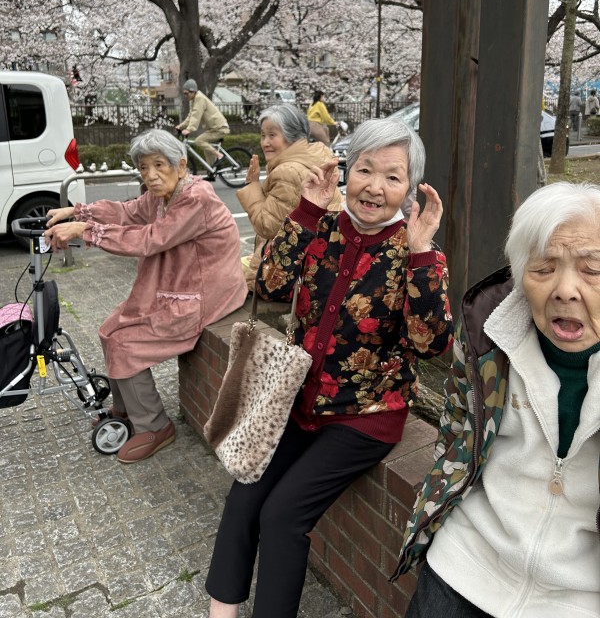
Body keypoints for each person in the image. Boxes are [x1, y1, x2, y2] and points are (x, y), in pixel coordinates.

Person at [205, 116, 454, 618]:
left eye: (393, 177)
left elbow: (431, 346)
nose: (375, 187)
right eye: (365, 170)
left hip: (365, 417)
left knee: (282, 516)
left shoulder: (416, 253)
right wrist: (306, 210)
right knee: (245, 494)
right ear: (347, 171)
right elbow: (269, 285)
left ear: (409, 189)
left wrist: (422, 252)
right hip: (300, 403)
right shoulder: (320, 226)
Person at [394, 180, 600, 618]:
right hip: (466, 559)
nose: (565, 290)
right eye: (543, 269)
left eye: (593, 269)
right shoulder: (486, 337)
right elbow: (454, 433)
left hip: (579, 595)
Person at [44, 129, 248, 464]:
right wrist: (77, 213)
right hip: (175, 289)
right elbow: (127, 212)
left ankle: (155, 426)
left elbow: (151, 239)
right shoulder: (161, 195)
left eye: (159, 165)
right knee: (110, 329)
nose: (150, 175)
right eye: (143, 168)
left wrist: (85, 231)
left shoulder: (196, 198)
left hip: (204, 296)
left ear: (181, 166)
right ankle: (126, 408)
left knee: (127, 343)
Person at [237, 103, 342, 290]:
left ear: (292, 136)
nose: (265, 142)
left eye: (272, 135)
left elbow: (267, 227)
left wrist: (252, 186)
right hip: (320, 265)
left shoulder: (288, 171)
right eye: (263, 135)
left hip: (292, 275)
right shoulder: (314, 157)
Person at [175, 79, 230, 169]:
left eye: (186, 93)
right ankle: (212, 169)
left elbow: (196, 115)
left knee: (199, 141)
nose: (185, 96)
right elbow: (190, 116)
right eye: (184, 94)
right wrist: (181, 126)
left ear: (192, 91)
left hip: (220, 128)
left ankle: (219, 155)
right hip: (213, 129)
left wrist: (189, 129)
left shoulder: (199, 98)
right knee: (206, 149)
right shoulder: (193, 100)